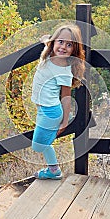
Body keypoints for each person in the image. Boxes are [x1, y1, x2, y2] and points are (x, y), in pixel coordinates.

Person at [31, 24, 85, 180]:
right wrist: (46, 40)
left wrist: (65, 121)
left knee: (39, 145)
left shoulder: (64, 70)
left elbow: (66, 97)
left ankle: (54, 171)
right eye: (60, 41)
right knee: (43, 143)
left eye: (69, 45)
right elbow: (50, 43)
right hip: (43, 110)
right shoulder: (50, 55)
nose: (63, 47)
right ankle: (53, 169)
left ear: (73, 50)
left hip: (51, 112)